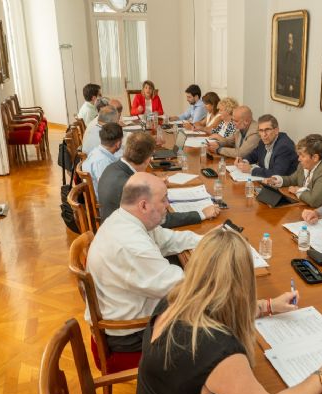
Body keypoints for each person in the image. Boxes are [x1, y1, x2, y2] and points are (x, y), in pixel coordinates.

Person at [135, 227, 322, 394]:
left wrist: (267, 306)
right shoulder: (216, 350)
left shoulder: (174, 300)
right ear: (243, 280)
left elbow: (219, 307)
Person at [86, 173, 201, 352]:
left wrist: (210, 240)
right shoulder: (132, 244)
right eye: (163, 200)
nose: (168, 205)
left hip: (131, 310)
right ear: (144, 205)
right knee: (209, 331)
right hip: (130, 334)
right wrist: (218, 268)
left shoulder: (126, 218)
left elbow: (169, 239)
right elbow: (181, 287)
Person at [98, 131, 219, 227]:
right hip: (126, 239)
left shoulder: (112, 168)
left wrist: (154, 184)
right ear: (148, 159)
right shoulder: (129, 185)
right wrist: (201, 213)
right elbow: (161, 220)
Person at [263, 134, 322, 208]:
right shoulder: (306, 164)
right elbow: (293, 179)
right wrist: (276, 180)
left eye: (302, 156)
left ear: (315, 157)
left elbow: (315, 201)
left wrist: (297, 190)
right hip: (306, 207)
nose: (299, 159)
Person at [233, 114, 298, 178]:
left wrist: (251, 170)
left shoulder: (284, 147)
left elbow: (277, 173)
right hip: (265, 181)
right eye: (261, 130)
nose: (264, 134)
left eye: (267, 130)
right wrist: (243, 162)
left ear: (276, 130)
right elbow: (254, 155)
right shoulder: (264, 140)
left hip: (283, 187)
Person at [82, 122, 123, 196]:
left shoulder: (97, 151)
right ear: (118, 143)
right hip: (104, 202)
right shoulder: (102, 162)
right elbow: (109, 190)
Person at [277, 32, 300, 98]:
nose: (289, 40)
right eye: (288, 38)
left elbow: (295, 69)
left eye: (291, 38)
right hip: (285, 81)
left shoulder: (296, 52)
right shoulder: (286, 51)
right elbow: (284, 66)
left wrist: (292, 84)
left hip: (292, 82)